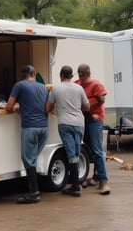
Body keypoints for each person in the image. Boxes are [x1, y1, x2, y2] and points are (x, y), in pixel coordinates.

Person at [5, 65, 48, 204]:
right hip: (44, 128)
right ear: (34, 74)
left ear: (22, 75)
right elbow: (47, 107)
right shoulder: (43, 87)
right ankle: (33, 189)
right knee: (32, 158)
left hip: (30, 127)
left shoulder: (19, 85)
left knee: (28, 159)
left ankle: (34, 193)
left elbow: (9, 106)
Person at [46, 65, 90, 197]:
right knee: (76, 152)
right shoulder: (79, 88)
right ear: (71, 75)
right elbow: (87, 106)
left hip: (64, 123)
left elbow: (48, 108)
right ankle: (76, 184)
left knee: (71, 154)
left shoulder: (56, 88)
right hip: (79, 123)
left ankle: (75, 186)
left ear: (61, 75)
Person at [75, 63, 111, 195]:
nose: (80, 74)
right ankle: (96, 177)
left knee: (97, 149)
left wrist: (89, 108)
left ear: (88, 72)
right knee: (88, 147)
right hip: (82, 118)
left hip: (94, 118)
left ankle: (103, 180)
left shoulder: (95, 84)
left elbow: (101, 100)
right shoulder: (77, 83)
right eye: (79, 72)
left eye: (83, 72)